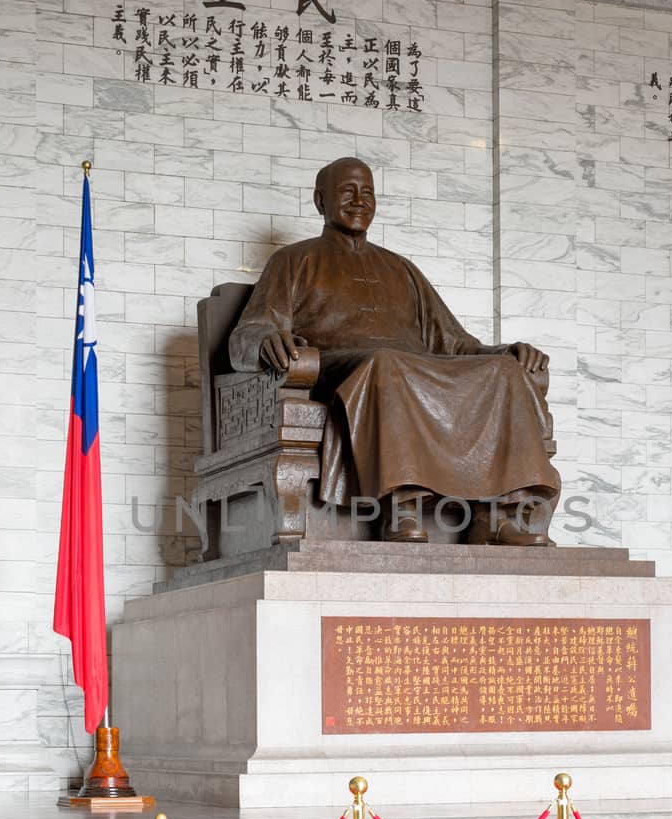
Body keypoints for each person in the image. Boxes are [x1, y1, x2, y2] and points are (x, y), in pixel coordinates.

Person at [227, 157, 561, 544]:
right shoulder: (292, 261)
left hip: (412, 370)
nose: (359, 200)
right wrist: (267, 340)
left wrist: (506, 352)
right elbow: (246, 335)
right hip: (344, 372)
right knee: (387, 364)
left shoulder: (401, 269)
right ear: (321, 201)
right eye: (348, 191)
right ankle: (402, 509)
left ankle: (499, 517)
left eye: (367, 192)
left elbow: (453, 343)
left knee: (504, 371)